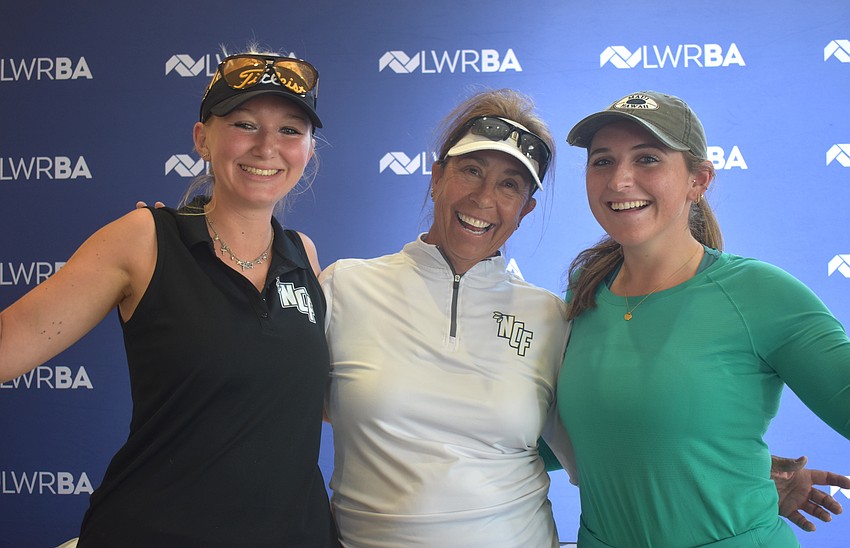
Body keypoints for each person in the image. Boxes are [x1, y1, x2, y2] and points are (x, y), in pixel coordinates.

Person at [0, 50, 340, 547]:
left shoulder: (302, 254)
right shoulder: (144, 239)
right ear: (203, 138)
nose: (268, 147)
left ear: (308, 149)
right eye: (245, 123)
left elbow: (314, 400)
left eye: (290, 130)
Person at [557, 90, 850, 547]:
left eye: (648, 159)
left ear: (699, 181)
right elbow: (580, 432)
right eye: (602, 161)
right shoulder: (585, 291)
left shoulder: (759, 293)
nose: (619, 180)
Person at [320, 89, 575, 547]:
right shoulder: (344, 287)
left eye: (509, 184)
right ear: (436, 177)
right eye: (471, 171)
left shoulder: (551, 317)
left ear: (526, 209)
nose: (483, 198)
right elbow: (266, 409)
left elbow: (607, 450)